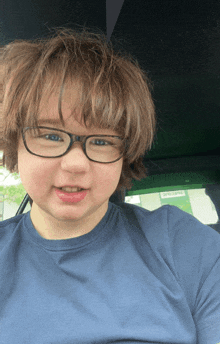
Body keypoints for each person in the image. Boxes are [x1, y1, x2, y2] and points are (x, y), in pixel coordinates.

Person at [0, 28, 220, 344]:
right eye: (50, 135)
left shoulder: (184, 244)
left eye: (102, 140)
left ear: (124, 155)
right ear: (14, 144)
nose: (75, 163)